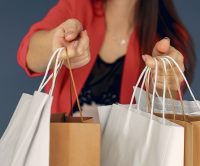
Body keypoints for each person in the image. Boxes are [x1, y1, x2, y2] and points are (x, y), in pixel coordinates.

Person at [17, 0, 195, 119]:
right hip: (59, 162)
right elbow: (28, 55)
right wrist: (55, 44)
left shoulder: (170, 35)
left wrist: (165, 84)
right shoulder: (77, 6)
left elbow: (167, 116)